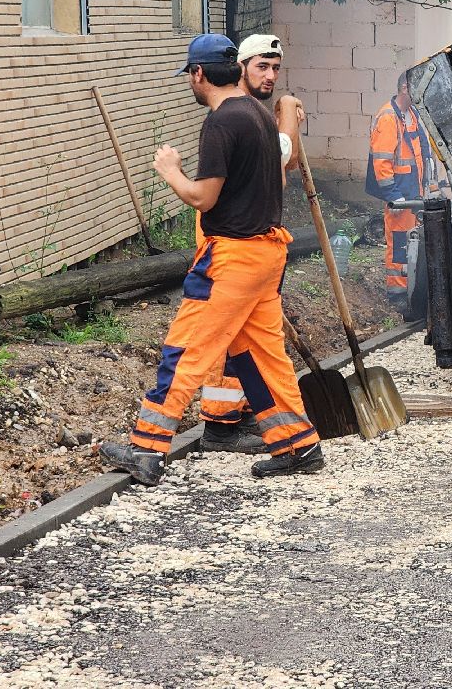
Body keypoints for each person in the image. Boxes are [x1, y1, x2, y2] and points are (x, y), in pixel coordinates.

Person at [99, 33, 322, 485]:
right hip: (266, 255)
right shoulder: (258, 114)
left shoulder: (221, 122)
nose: (190, 82)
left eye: (189, 75)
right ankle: (299, 445)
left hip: (231, 262)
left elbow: (204, 198)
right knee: (264, 357)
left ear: (198, 74)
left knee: (185, 352)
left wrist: (171, 172)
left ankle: (146, 449)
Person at [196, 33, 305, 454]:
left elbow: (285, 157)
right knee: (227, 336)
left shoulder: (250, 114)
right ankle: (221, 426)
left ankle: (244, 421)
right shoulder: (236, 116)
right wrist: (290, 110)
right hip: (231, 241)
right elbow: (286, 158)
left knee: (248, 337)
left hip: (251, 241)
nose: (270, 75)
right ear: (238, 66)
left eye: (276, 68)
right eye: (262, 66)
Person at [366, 71, 438, 314]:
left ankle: (414, 294)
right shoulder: (388, 117)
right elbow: (382, 162)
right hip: (400, 198)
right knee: (399, 247)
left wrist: (431, 189)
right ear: (405, 88)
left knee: (415, 246)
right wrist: (393, 196)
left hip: (414, 195)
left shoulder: (413, 115)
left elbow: (423, 156)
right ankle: (398, 297)